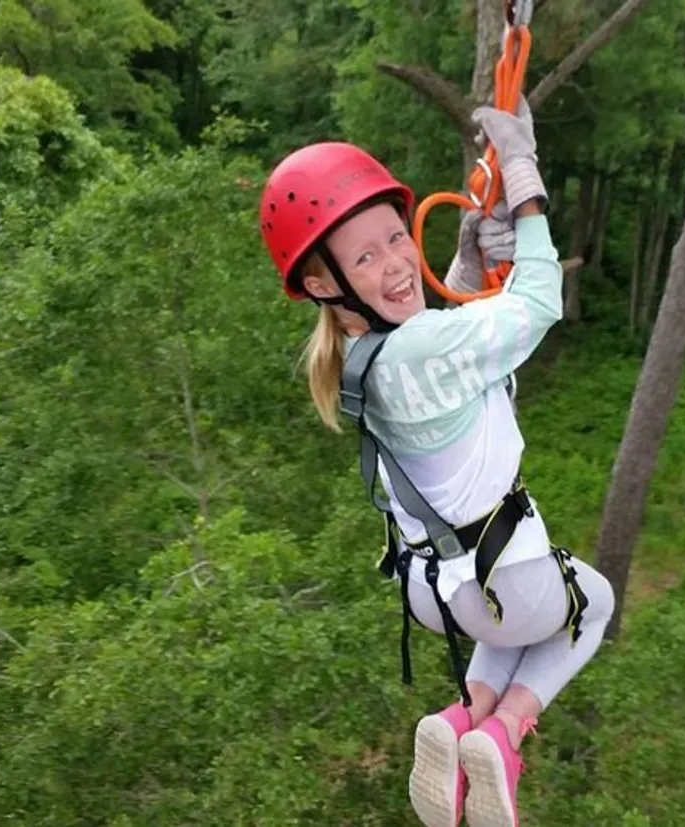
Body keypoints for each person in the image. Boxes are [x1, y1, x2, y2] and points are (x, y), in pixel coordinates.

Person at [259, 101, 615, 827]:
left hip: (433, 589)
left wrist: (471, 255)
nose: (395, 262)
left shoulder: (361, 360)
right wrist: (522, 173)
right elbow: (540, 300)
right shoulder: (422, 352)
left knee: (511, 625)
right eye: (366, 257)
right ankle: (506, 733)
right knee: (594, 601)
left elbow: (438, 333)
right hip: (503, 579)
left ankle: (462, 718)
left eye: (396, 239)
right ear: (326, 284)